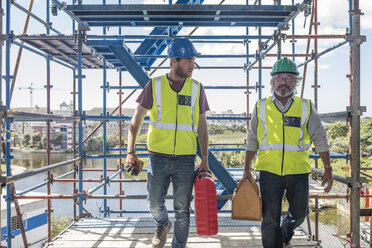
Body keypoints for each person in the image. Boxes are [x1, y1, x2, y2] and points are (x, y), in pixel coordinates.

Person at [126, 38, 210, 248]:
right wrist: (130, 151)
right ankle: (162, 223)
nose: (193, 65)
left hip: (185, 159)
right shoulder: (154, 85)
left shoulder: (197, 88)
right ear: (174, 61)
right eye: (188, 60)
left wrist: (205, 158)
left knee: (182, 209)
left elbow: (202, 126)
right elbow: (136, 120)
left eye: (193, 60)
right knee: (154, 203)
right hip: (158, 157)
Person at [242, 57, 333, 248]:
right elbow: (252, 138)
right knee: (269, 219)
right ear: (272, 81)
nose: (284, 82)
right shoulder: (261, 106)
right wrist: (246, 169)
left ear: (296, 82)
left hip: (298, 171)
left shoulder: (306, 106)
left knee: (300, 213)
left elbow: (319, 137)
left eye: (289, 78)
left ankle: (286, 231)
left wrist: (327, 168)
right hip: (269, 171)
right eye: (279, 77)